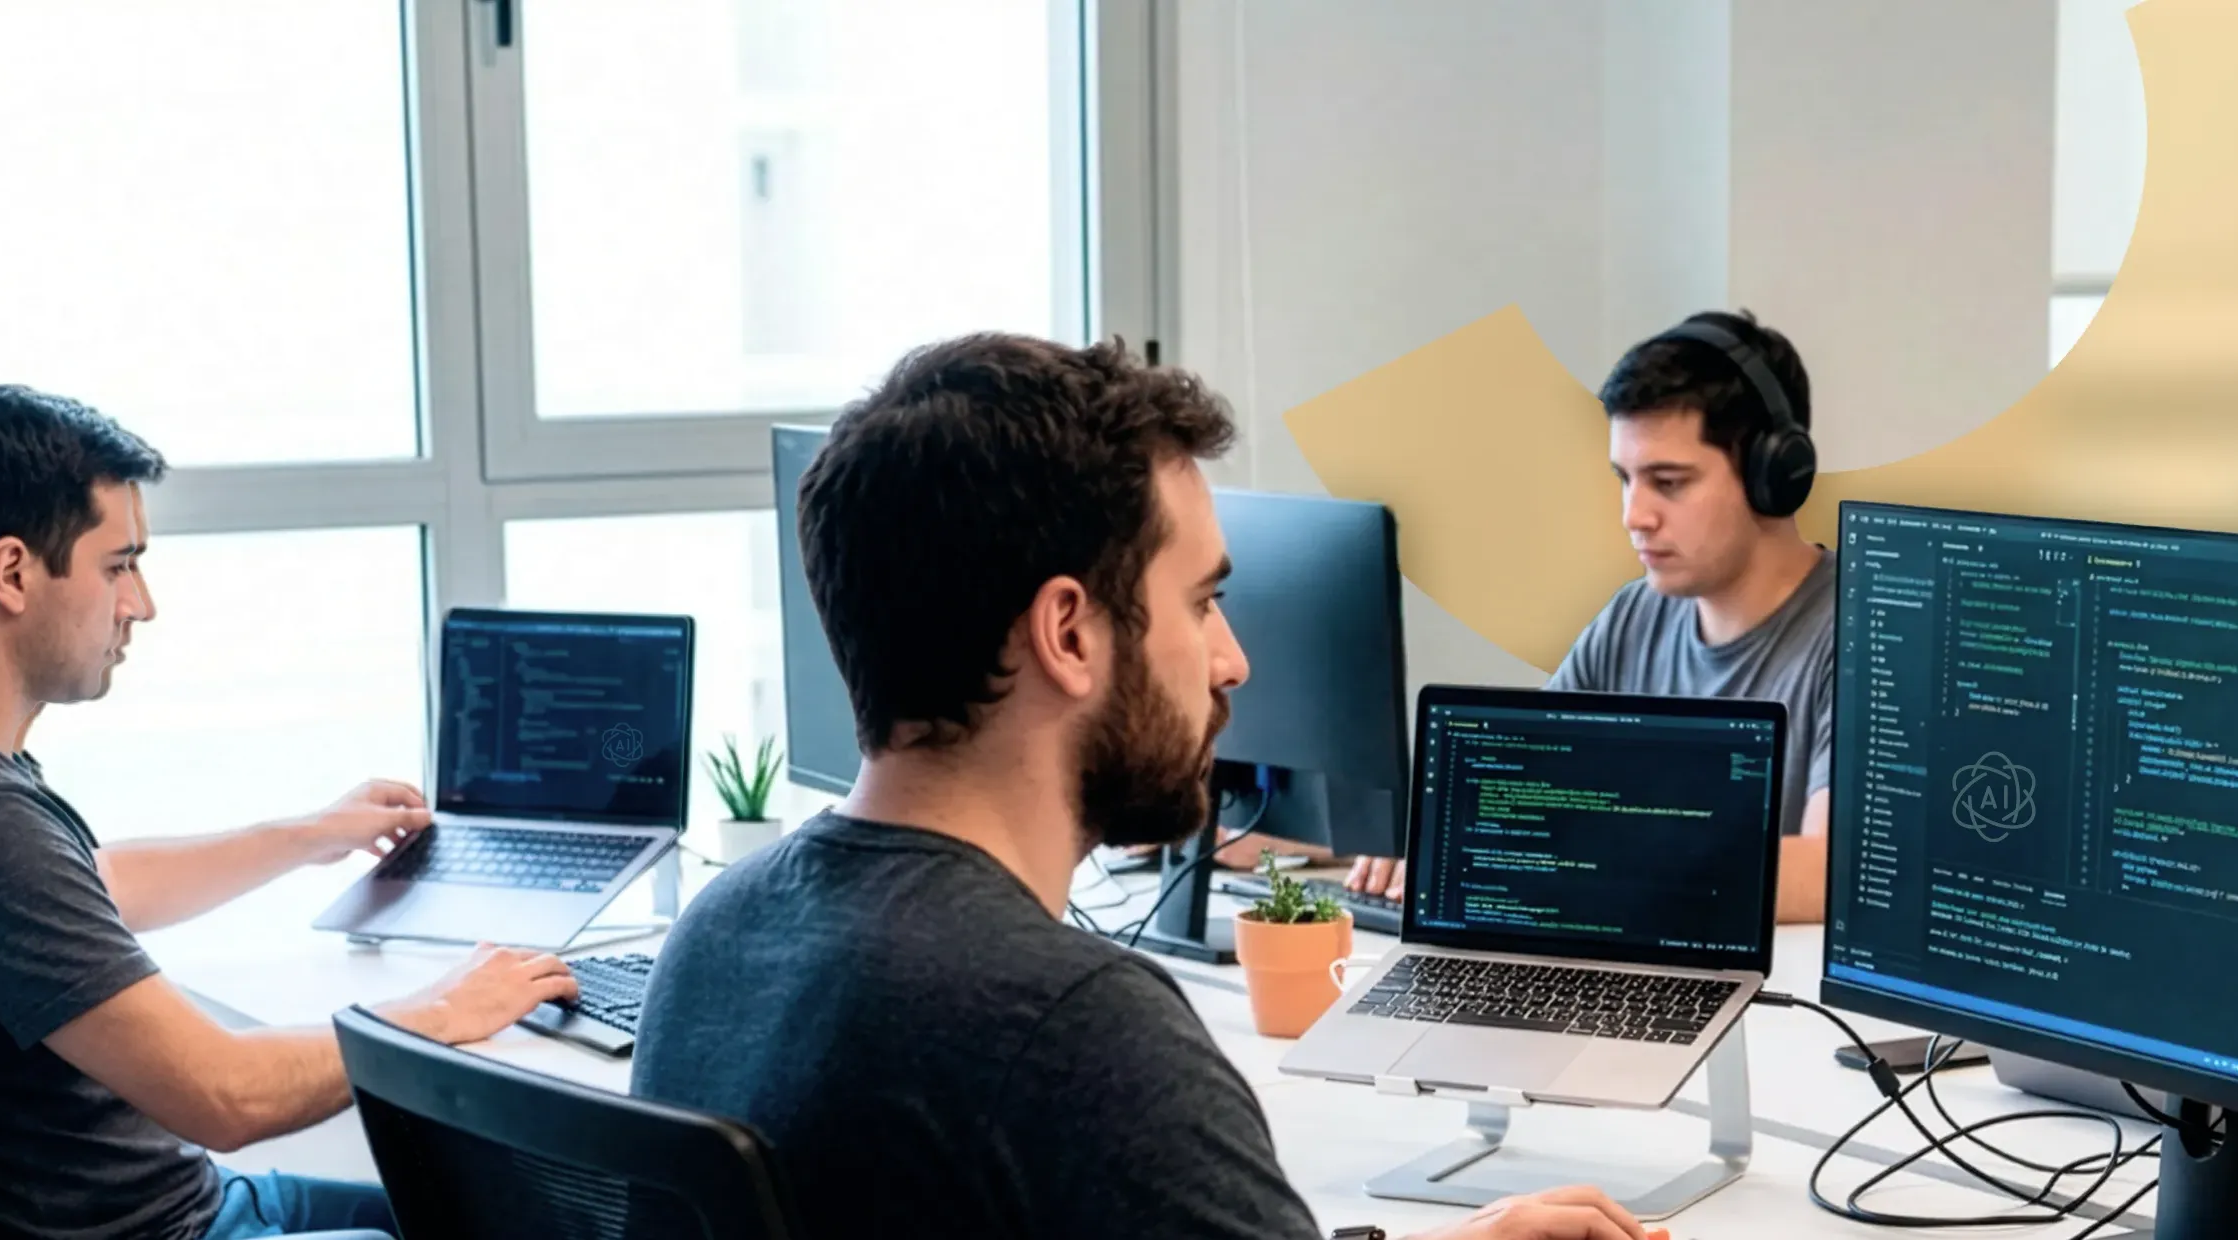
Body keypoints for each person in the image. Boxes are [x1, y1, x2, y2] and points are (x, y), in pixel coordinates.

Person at [629, 333, 1646, 1239]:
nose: (1233, 660)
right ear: (1068, 634)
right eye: (1201, 603)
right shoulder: (1072, 1029)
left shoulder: (718, 937)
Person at [0, 384, 582, 1239]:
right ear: (13, 573)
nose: (141, 604)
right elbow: (225, 1094)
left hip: (196, 1201)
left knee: (512, 1220)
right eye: (118, 566)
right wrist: (444, 1010)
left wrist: (309, 836)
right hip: (170, 1232)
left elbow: (93, 883)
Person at [1350, 309, 1836, 923]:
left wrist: (1588, 852)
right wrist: (1413, 837)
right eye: (1625, 479)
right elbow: (1522, 798)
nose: (1635, 515)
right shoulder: (1634, 617)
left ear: (1775, 477)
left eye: (1669, 482)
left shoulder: (1864, 640)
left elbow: (1828, 874)